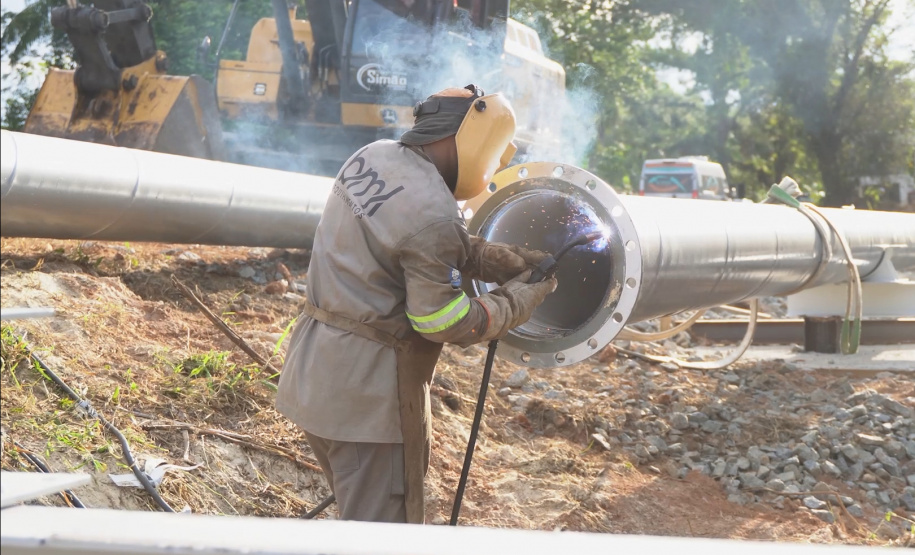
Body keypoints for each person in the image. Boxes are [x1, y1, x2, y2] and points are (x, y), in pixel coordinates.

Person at [276, 84, 557, 524]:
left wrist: (483, 256)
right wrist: (511, 305)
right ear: (474, 138)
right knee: (381, 540)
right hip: (370, 402)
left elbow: (399, 242)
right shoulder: (435, 213)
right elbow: (441, 320)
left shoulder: (373, 155)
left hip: (315, 379)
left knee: (357, 525)